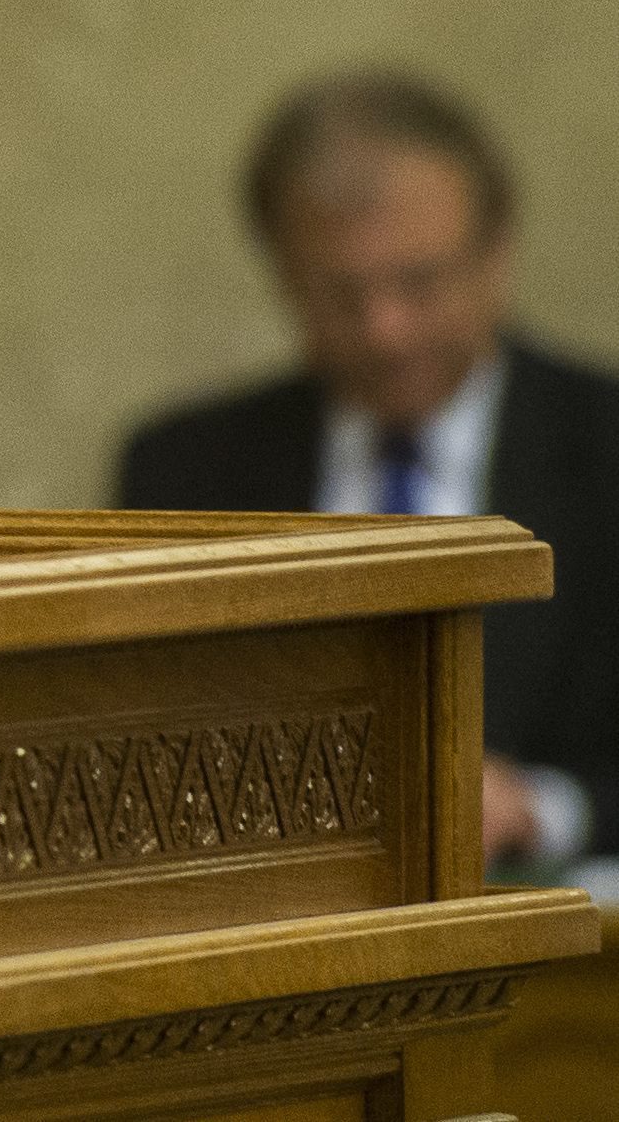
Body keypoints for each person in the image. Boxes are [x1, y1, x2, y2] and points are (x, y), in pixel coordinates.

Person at [116, 70, 619, 872]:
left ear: (496, 255)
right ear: (284, 276)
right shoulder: (186, 469)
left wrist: (539, 805)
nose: (385, 330)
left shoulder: (602, 445)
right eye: (341, 294)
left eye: (419, 282)